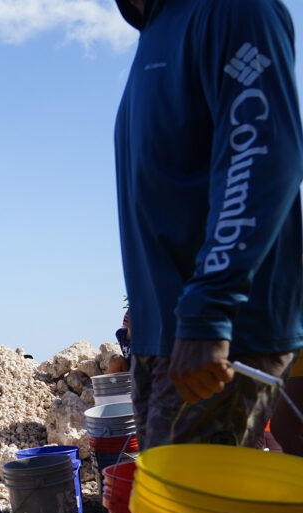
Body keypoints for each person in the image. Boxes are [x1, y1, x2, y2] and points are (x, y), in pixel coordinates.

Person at [114, 0, 303, 449]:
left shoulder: (232, 9)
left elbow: (260, 156)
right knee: (174, 510)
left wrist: (210, 308)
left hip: (220, 331)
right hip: (166, 335)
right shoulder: (157, 31)